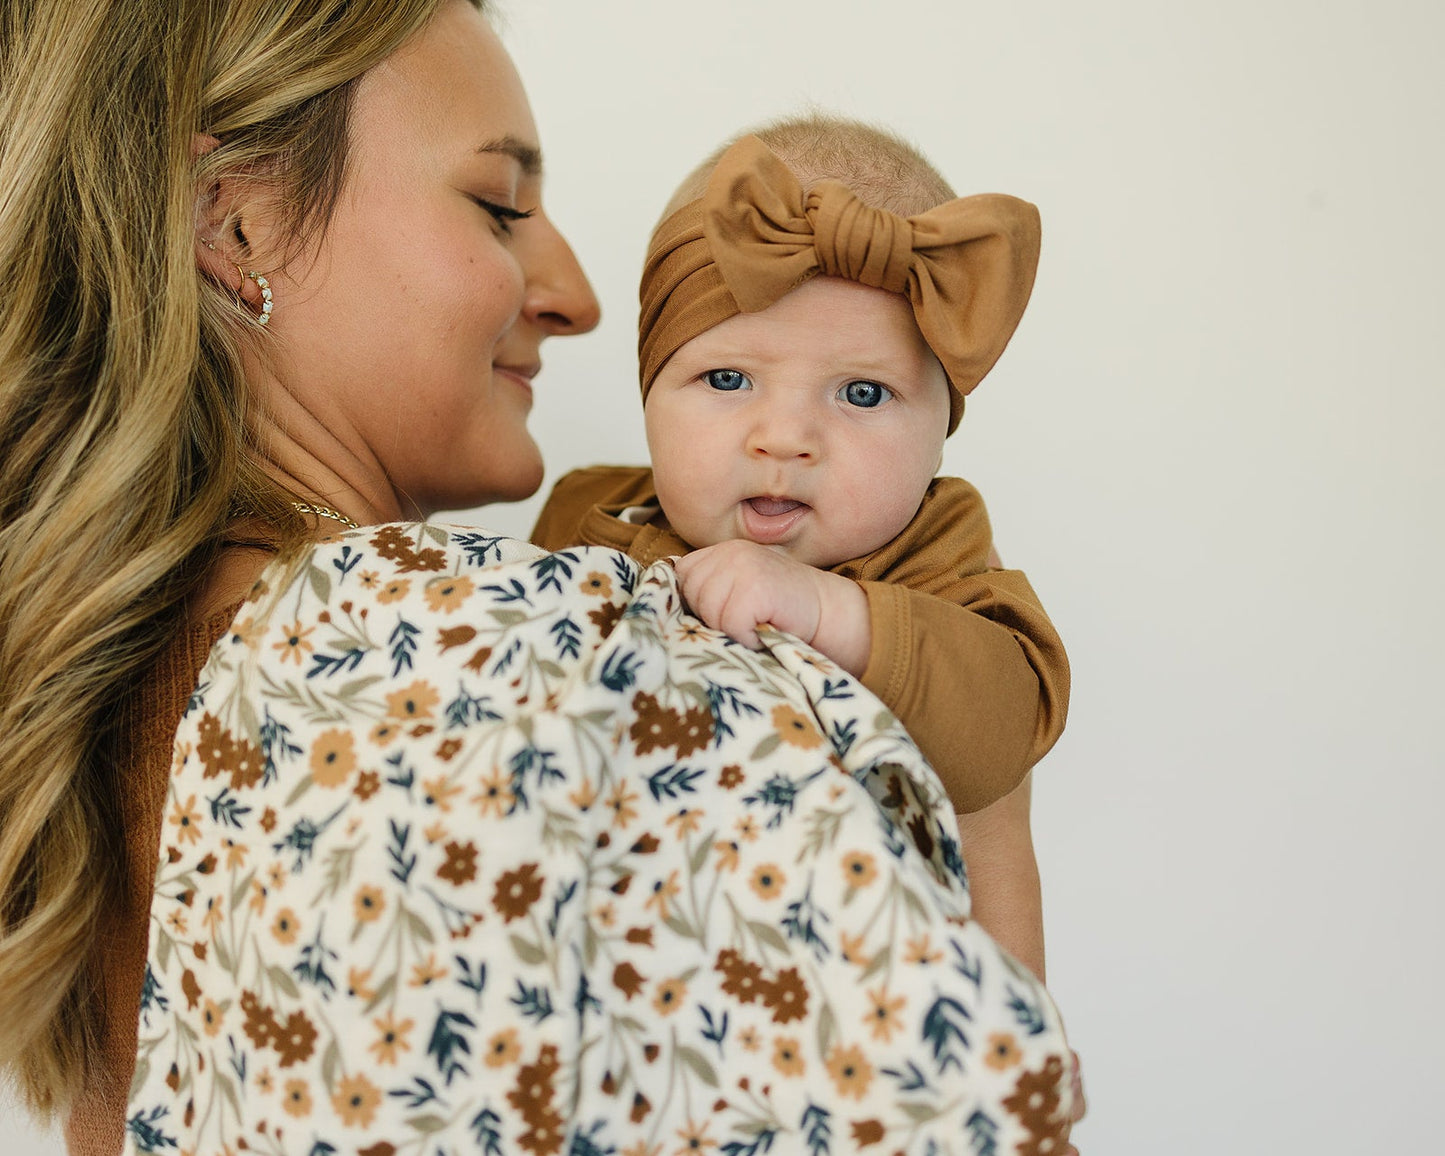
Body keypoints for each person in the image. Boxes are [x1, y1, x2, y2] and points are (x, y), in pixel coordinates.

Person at [0, 3, 1078, 1154]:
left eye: (860, 394)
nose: (579, 294)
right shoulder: (468, 645)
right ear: (241, 223)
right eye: (500, 206)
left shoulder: (143, 676)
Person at [532, 120, 1067, 976]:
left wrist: (831, 613)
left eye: (862, 392)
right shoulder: (587, 517)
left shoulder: (932, 547)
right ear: (648, 391)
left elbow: (1004, 725)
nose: (784, 438)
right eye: (727, 379)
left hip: (855, 1002)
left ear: (940, 433)